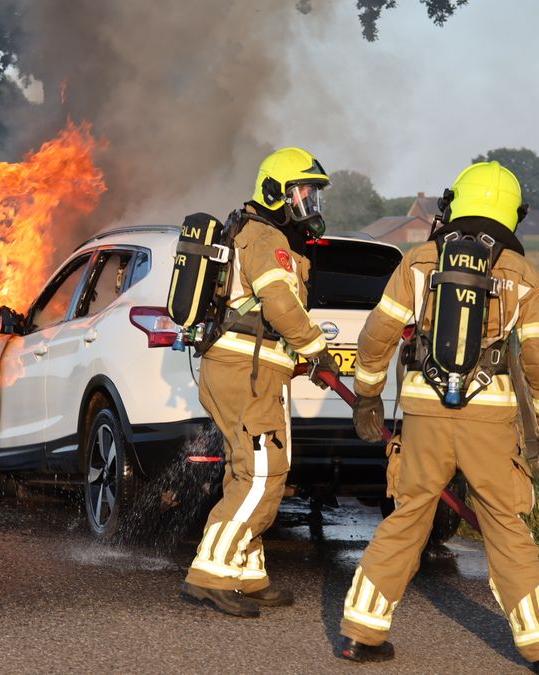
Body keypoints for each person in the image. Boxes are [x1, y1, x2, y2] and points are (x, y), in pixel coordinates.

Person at [336, 161, 539, 674]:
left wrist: (368, 397)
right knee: (505, 527)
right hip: (490, 416)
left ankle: (361, 632)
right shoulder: (523, 275)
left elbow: (377, 336)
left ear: (455, 204)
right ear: (512, 213)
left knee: (409, 515)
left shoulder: (419, 261)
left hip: (424, 409)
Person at [179, 147, 339, 618]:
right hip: (246, 373)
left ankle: (247, 574)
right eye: (303, 193)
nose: (309, 204)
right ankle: (209, 574)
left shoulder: (251, 233)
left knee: (244, 472)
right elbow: (280, 305)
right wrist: (317, 352)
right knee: (265, 475)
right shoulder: (266, 237)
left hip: (240, 369)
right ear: (275, 192)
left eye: (313, 195)